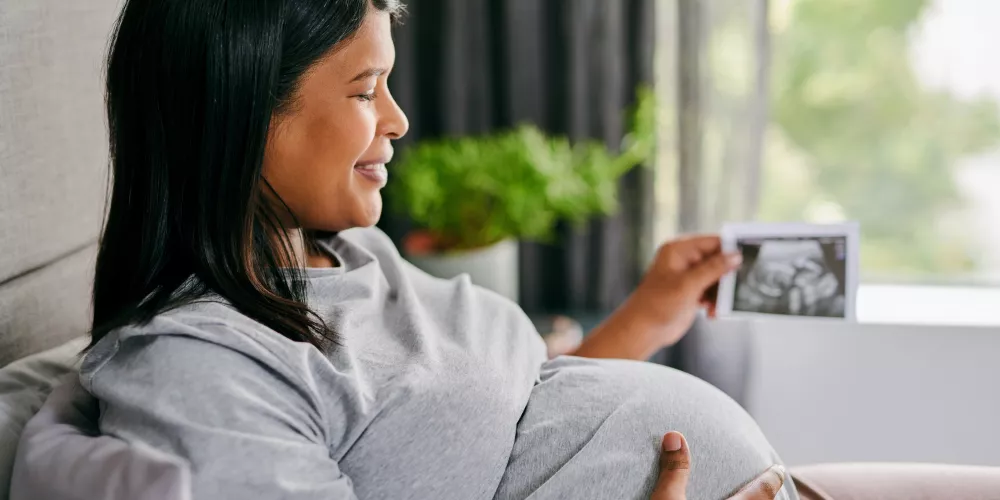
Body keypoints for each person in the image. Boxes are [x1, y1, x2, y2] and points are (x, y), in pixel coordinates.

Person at [82, 0, 800, 499]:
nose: (398, 120)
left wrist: (647, 316)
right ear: (242, 112)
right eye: (366, 91)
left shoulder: (352, 257)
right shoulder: (202, 367)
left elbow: (517, 427)